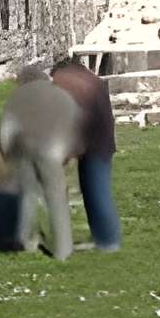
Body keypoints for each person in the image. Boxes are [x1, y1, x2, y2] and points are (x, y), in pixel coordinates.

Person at [0, 65, 84, 262]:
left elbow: (6, 128)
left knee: (26, 194)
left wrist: (7, 154)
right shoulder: (60, 95)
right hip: (51, 150)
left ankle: (26, 241)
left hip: (21, 150)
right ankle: (62, 249)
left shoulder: (17, 98)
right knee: (56, 197)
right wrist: (70, 153)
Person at [48, 54, 122, 251]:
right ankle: (104, 237)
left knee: (97, 194)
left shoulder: (69, 83)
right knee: (94, 193)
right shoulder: (90, 79)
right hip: (102, 143)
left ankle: (109, 242)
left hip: (93, 146)